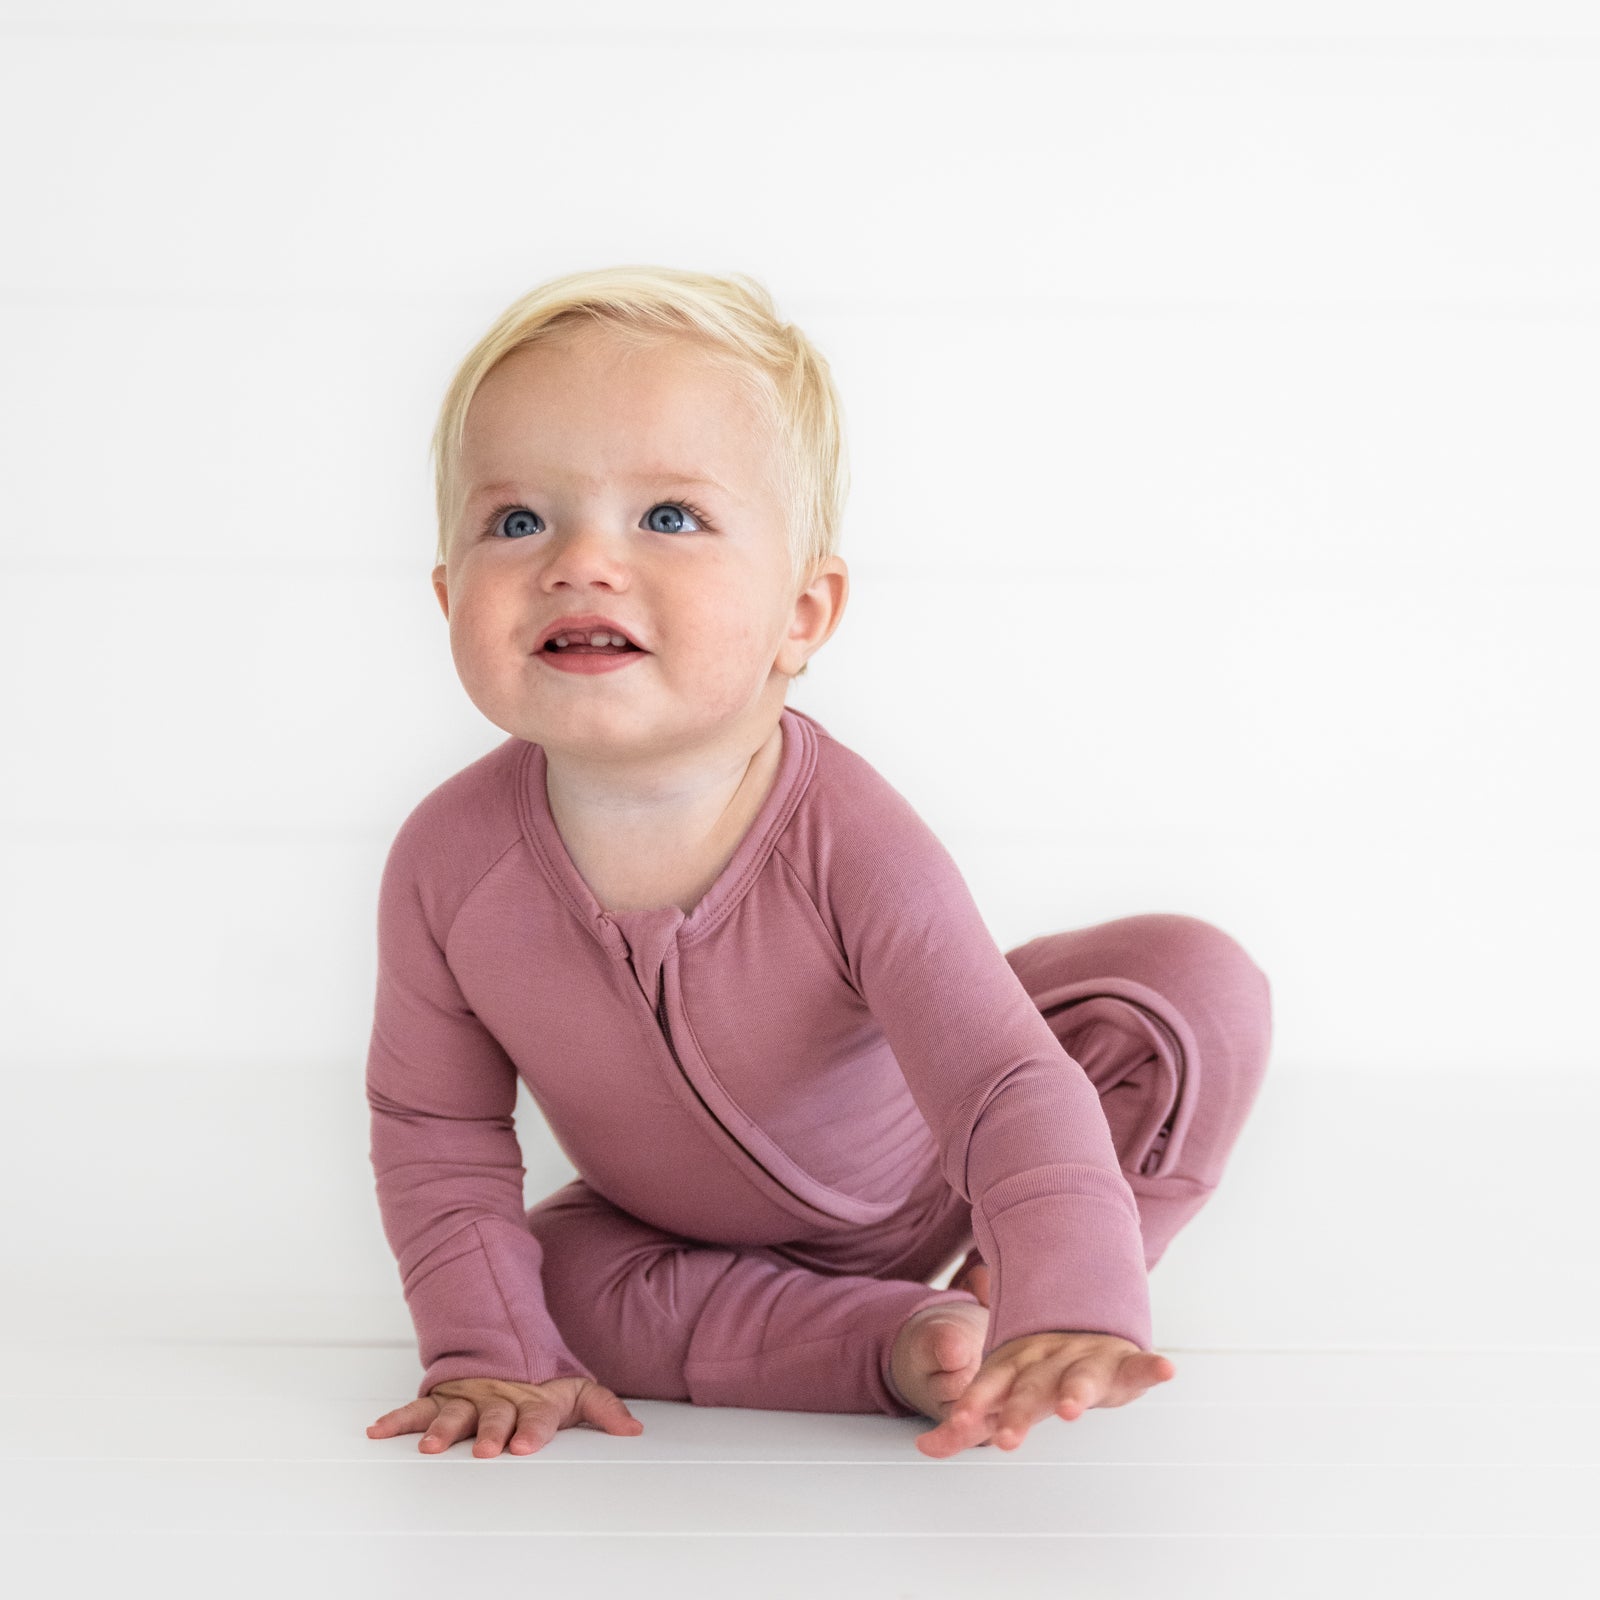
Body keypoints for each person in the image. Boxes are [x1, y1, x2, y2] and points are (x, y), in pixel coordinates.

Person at [363, 265, 1273, 1463]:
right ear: (447, 598)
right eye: (517, 521)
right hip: (666, 1228)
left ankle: (1030, 1298)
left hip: (944, 1160)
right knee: (552, 1289)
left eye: (669, 517)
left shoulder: (845, 831)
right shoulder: (448, 865)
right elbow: (435, 1126)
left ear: (803, 611)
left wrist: (1073, 1281)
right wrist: (489, 1349)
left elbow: (1002, 1081)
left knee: (1188, 983)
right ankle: (894, 1345)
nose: (579, 562)